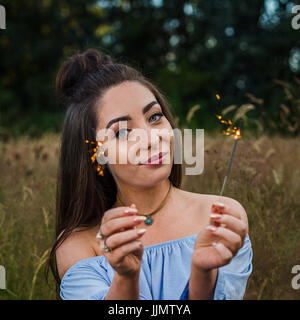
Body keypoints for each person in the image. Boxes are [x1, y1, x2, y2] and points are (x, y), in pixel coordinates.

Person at [47, 48, 252, 300]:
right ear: (95, 152)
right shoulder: (79, 246)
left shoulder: (222, 218)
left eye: (154, 117)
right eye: (122, 132)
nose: (151, 138)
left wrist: (202, 273)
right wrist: (125, 278)